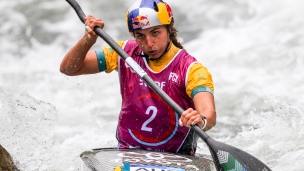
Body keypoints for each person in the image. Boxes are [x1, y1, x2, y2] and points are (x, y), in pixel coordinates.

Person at [60, 0, 216, 155]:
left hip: (176, 157)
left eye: (155, 33)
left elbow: (209, 114)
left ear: (169, 29)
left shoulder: (191, 69)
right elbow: (69, 69)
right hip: (128, 153)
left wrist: (200, 120)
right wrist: (88, 39)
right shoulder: (123, 52)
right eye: (140, 36)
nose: (149, 43)